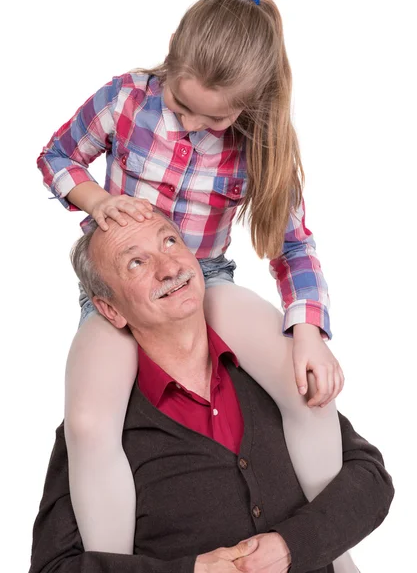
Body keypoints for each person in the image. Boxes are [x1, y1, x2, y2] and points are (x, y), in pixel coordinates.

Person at [37, 0, 352, 570]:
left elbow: (293, 246)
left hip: (204, 274)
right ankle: (114, 564)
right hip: (126, 285)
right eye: (184, 109)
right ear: (173, 57)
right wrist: (99, 201)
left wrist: (309, 334)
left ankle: (330, 549)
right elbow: (57, 158)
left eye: (217, 117)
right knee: (87, 419)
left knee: (307, 389)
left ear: (251, 103)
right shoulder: (126, 98)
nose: (195, 124)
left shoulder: (258, 142)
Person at [29, 213, 394, 573]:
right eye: (136, 263)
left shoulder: (267, 375)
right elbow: (55, 567)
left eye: (170, 241)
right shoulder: (100, 425)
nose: (169, 268)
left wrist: (291, 547)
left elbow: (370, 479)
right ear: (110, 309)